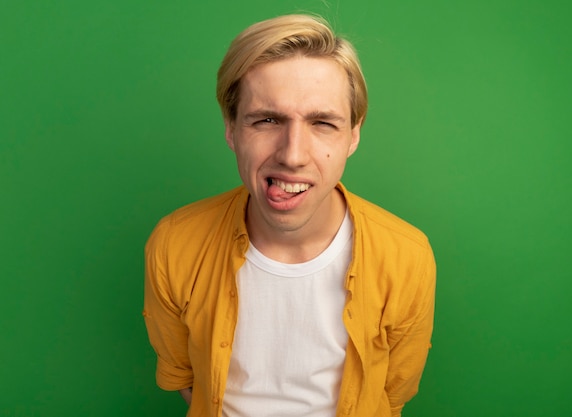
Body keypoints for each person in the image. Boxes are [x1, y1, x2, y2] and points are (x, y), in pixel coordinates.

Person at [143, 13, 436, 417]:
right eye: (267, 120)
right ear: (231, 128)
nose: (292, 155)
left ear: (353, 134)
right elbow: (183, 375)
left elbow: (392, 391)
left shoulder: (407, 256)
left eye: (322, 123)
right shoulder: (175, 243)